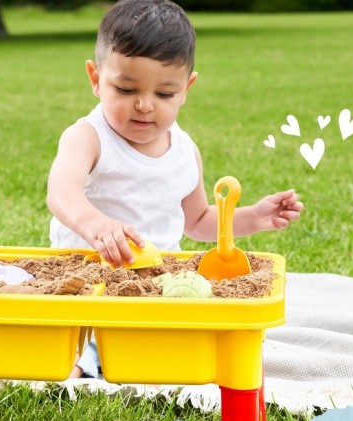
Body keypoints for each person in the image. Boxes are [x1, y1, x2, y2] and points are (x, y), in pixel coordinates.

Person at [46, 0, 304, 378]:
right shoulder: (87, 137)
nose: (145, 105)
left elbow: (198, 220)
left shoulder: (184, 151)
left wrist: (252, 217)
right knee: (81, 344)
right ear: (96, 78)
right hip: (88, 278)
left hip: (160, 283)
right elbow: (61, 193)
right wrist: (96, 225)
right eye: (125, 88)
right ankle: (92, 357)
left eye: (164, 94)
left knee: (194, 336)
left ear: (186, 88)